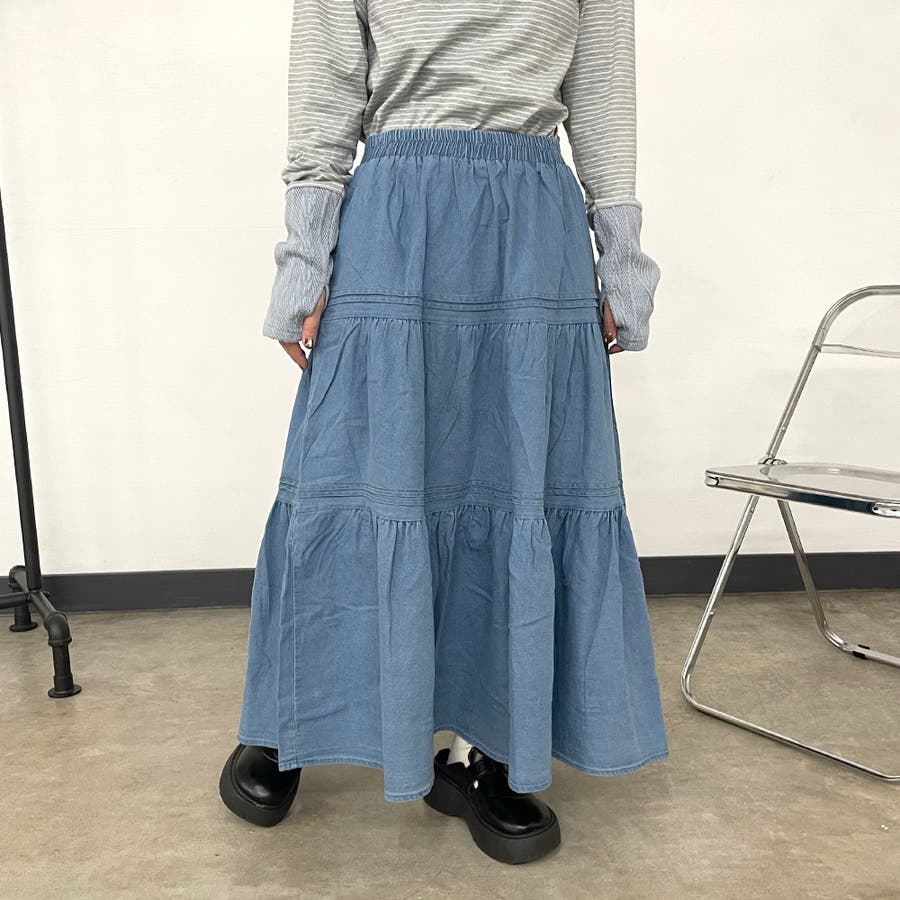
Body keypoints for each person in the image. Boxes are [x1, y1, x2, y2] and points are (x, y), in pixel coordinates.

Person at [219, 0, 668, 865]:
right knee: (347, 476)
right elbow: (326, 95)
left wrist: (621, 258)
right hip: (396, 212)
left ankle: (486, 751)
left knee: (518, 484)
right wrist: (305, 260)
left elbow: (604, 97)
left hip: (531, 225)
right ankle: (288, 717)